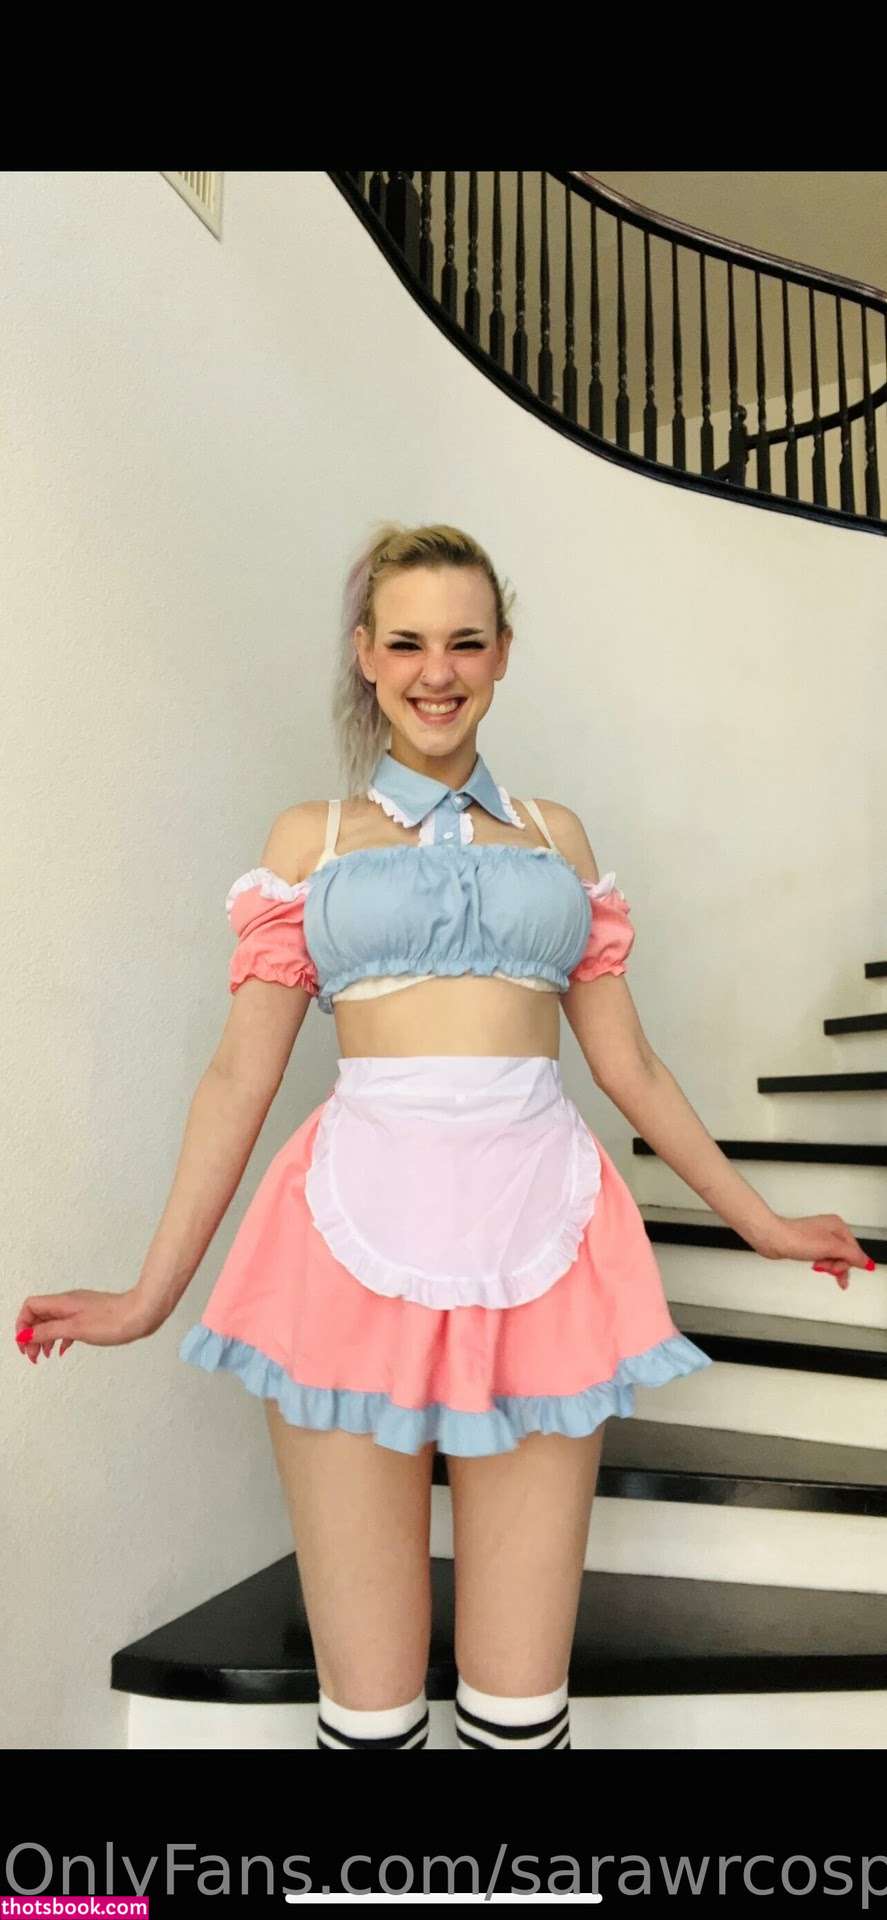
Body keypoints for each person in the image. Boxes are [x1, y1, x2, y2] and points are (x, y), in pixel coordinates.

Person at [15, 522, 873, 1753]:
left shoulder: (557, 838)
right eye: (407, 642)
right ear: (365, 654)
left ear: (502, 653)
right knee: (366, 1715)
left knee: (521, 1711)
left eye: (465, 642)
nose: (436, 671)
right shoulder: (308, 842)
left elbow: (626, 1065)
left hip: (544, 1246)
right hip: (342, 1253)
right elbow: (238, 1076)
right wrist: (150, 1295)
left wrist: (764, 1225)